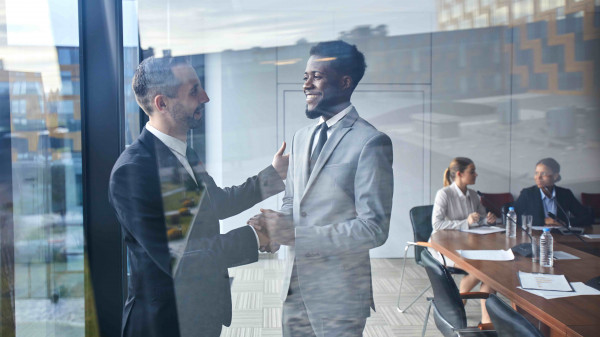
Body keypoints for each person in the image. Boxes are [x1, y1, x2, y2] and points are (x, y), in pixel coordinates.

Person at [108, 56, 288, 337]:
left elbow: (215, 203)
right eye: (193, 90)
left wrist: (273, 175)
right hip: (164, 324)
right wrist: (257, 236)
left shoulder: (184, 154)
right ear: (161, 103)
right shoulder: (132, 171)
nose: (205, 97)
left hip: (200, 315)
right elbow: (178, 259)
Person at [249, 41, 394, 337]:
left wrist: (297, 234)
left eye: (316, 76)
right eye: (305, 77)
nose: (306, 85)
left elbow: (373, 228)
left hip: (339, 295)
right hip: (294, 286)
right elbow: (294, 199)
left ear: (345, 82)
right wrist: (276, 228)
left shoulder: (371, 142)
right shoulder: (301, 137)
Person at [430, 157, 496, 323]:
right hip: (445, 247)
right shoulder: (444, 194)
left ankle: (482, 320)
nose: (476, 174)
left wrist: (487, 220)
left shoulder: (473, 195)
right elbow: (437, 224)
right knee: (486, 269)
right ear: (459, 174)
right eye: (472, 171)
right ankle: (484, 320)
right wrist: (465, 221)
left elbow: (478, 220)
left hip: (469, 245)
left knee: (490, 269)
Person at [514, 157, 592, 228]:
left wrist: (564, 223)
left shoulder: (565, 194)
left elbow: (586, 218)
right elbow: (514, 218)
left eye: (543, 173)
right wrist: (543, 221)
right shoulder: (528, 193)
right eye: (536, 173)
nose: (538, 177)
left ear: (555, 176)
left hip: (561, 237)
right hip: (535, 236)